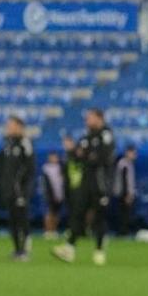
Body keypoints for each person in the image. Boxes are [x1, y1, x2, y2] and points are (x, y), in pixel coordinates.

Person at [51, 108, 114, 265]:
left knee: (99, 216)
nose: (87, 121)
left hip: (100, 183)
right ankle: (69, 248)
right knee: (78, 213)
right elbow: (78, 156)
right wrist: (73, 150)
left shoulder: (105, 135)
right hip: (85, 182)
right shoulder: (87, 137)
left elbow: (99, 157)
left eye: (90, 118)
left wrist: (83, 154)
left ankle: (99, 250)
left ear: (99, 119)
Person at [0, 115, 36, 259]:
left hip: (21, 190)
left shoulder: (25, 144)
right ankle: (17, 249)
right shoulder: (7, 145)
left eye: (11, 125)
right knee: (12, 219)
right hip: (9, 189)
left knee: (21, 218)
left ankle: (25, 249)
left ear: (20, 127)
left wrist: (23, 188)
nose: (8, 128)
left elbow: (29, 168)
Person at [114, 144, 138, 235]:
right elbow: (124, 181)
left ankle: (124, 231)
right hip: (123, 193)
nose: (134, 155)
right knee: (123, 213)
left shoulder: (129, 163)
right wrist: (127, 194)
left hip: (126, 193)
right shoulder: (124, 164)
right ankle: (122, 232)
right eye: (133, 153)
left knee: (126, 213)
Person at [41, 149, 65, 238]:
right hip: (50, 195)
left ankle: (54, 230)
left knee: (56, 213)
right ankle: (47, 230)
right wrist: (49, 194)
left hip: (59, 194)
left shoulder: (61, 168)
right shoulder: (46, 168)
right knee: (49, 212)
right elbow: (46, 184)